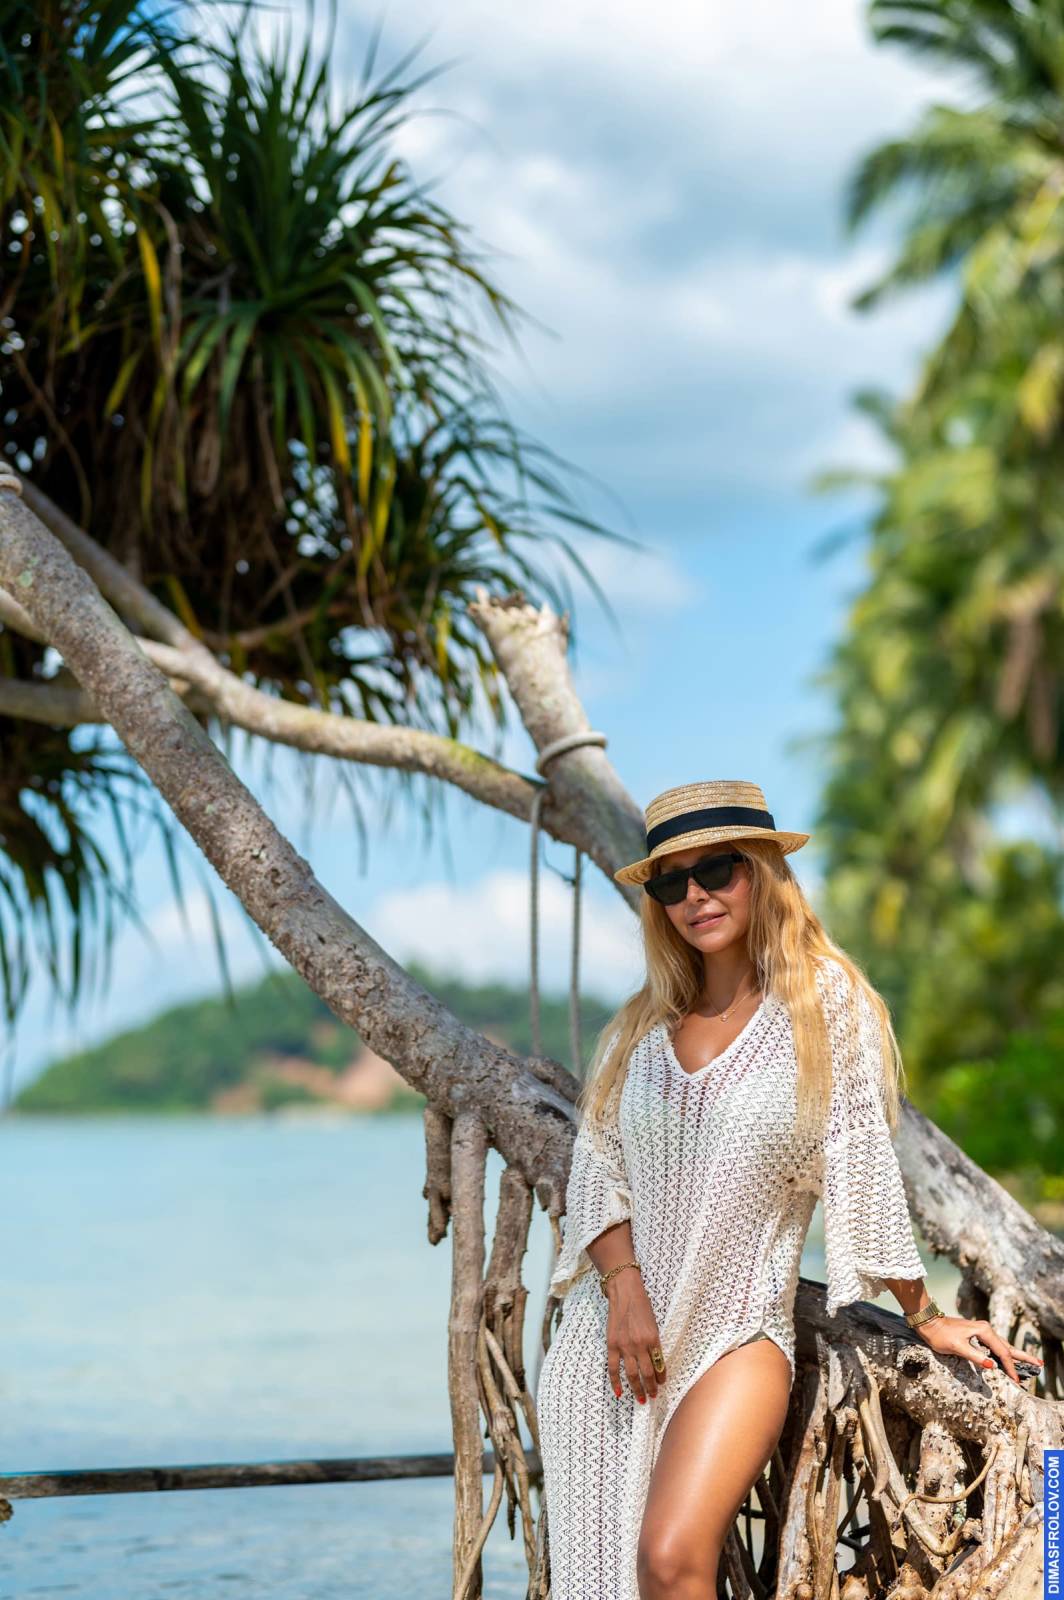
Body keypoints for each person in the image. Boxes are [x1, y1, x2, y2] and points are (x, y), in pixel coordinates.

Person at [535, 778, 1042, 1600]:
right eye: (671, 883)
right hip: (614, 1342)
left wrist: (925, 1315)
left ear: (763, 871)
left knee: (668, 1558)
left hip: (738, 1332)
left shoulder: (823, 1006)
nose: (694, 896)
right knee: (601, 1579)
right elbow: (598, 1169)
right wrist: (623, 1289)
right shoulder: (640, 1027)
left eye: (717, 871)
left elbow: (860, 1166)